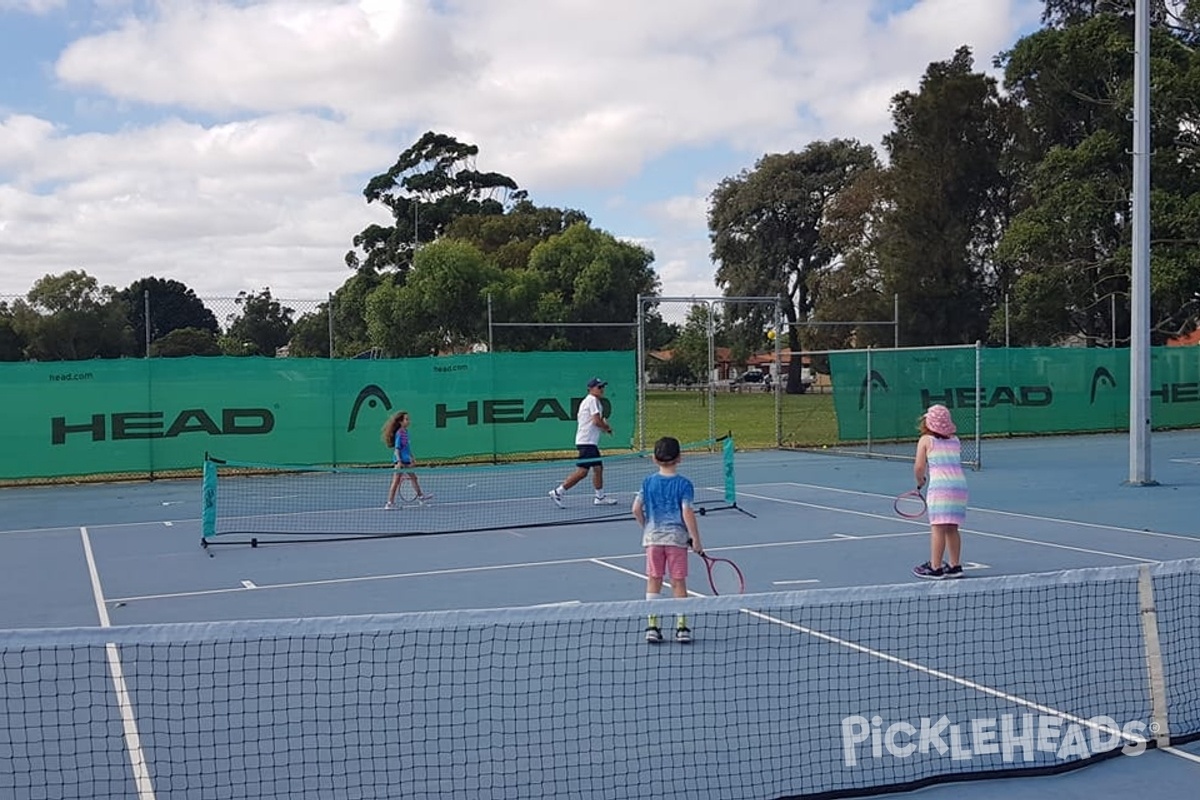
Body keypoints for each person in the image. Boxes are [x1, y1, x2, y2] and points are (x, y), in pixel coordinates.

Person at [632, 436, 704, 643]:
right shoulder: (684, 484)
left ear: (654, 459)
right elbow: (687, 512)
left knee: (654, 579)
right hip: (676, 540)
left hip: (653, 539)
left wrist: (646, 527)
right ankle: (682, 628)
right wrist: (695, 539)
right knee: (678, 581)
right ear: (680, 458)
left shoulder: (648, 482)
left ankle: (652, 626)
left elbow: (636, 509)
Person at [912, 404, 967, 579]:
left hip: (940, 489)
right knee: (952, 527)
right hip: (960, 488)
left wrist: (920, 480)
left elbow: (919, 467)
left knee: (937, 527)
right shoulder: (956, 440)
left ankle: (935, 567)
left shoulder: (926, 441)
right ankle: (955, 565)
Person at [549, 377, 618, 507]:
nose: (602, 389)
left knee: (598, 468)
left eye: (602, 387)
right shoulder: (591, 400)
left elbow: (596, 422)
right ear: (590, 389)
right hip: (587, 442)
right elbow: (596, 421)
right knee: (582, 472)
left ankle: (599, 497)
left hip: (590, 442)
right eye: (599, 387)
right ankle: (558, 492)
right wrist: (607, 428)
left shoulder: (594, 401)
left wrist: (604, 428)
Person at [382, 411, 432, 509]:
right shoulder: (400, 433)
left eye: (408, 419)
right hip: (400, 461)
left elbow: (407, 447)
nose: (409, 421)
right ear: (401, 422)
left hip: (406, 461)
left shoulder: (405, 432)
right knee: (396, 481)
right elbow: (397, 449)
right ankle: (389, 503)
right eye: (406, 419)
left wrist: (412, 458)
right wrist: (399, 461)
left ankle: (421, 498)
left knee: (414, 478)